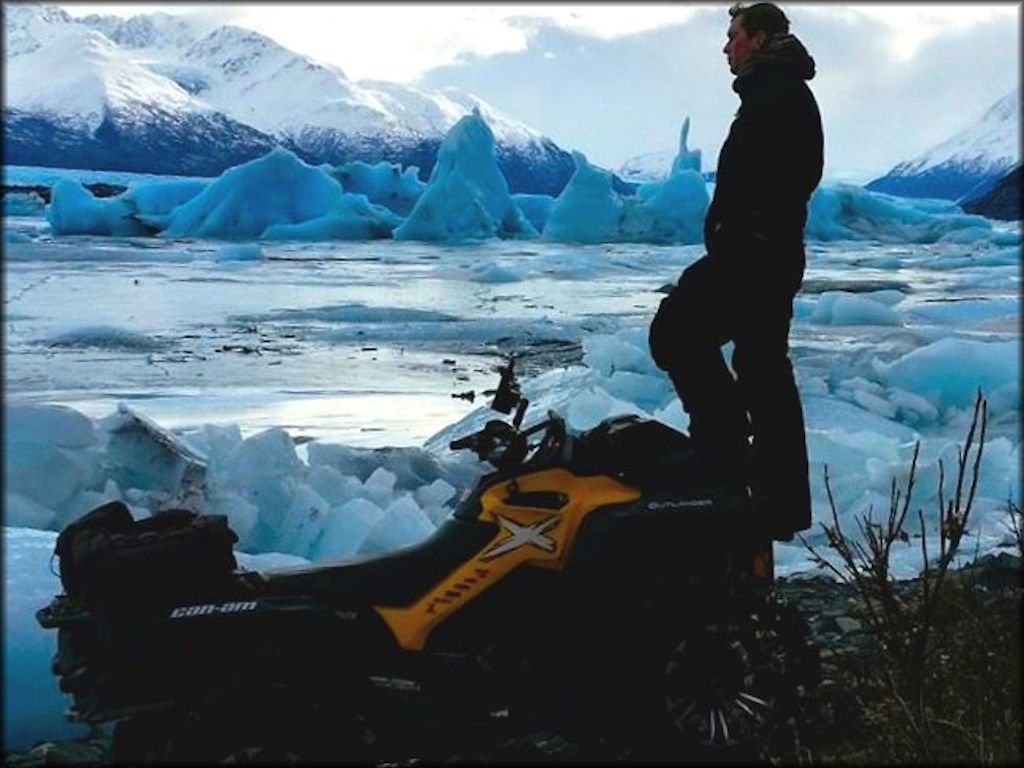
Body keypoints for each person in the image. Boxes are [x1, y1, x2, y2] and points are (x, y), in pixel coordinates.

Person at [648, 2, 822, 541]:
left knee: (676, 332)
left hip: (755, 256)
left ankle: (722, 456)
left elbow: (788, 176)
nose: (726, 47)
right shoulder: (775, 91)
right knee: (763, 366)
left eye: (733, 36)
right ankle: (778, 497)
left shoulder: (778, 95)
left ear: (760, 37)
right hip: (763, 252)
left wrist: (745, 235)